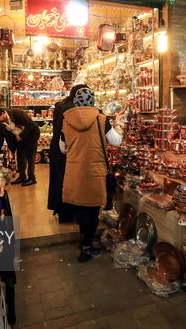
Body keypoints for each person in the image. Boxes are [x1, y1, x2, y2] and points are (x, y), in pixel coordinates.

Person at [59, 88, 122, 262]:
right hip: (94, 171)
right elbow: (117, 141)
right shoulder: (102, 120)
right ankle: (87, 248)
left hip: (75, 171)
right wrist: (117, 124)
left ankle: (83, 242)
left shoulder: (66, 121)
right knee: (93, 212)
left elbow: (63, 149)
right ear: (93, 101)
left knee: (81, 209)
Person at [47, 84, 89, 223]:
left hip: (57, 146)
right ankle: (68, 214)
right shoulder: (74, 108)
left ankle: (60, 209)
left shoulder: (61, 105)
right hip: (68, 147)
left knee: (59, 179)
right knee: (69, 181)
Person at [0, 107, 40, 187]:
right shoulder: (0, 123)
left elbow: (31, 125)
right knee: (20, 156)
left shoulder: (17, 113)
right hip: (18, 138)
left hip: (31, 135)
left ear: (3, 114)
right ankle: (22, 176)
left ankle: (32, 178)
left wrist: (22, 135)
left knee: (31, 157)